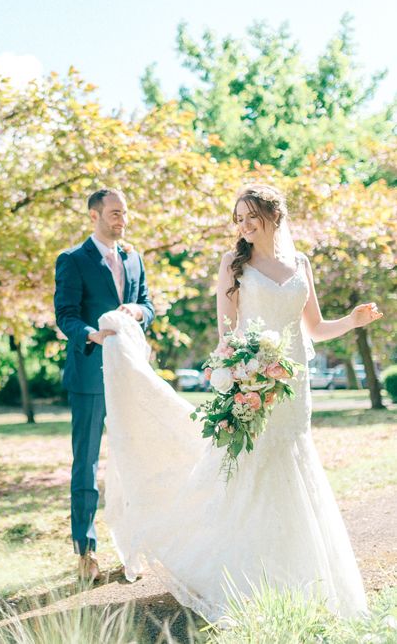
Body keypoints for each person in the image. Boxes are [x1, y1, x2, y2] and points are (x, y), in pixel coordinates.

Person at [99, 184, 382, 621]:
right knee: (252, 471)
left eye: (253, 216)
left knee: (292, 465)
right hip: (252, 383)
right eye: (239, 218)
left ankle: (300, 577)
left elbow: (316, 328)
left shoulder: (300, 263)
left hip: (293, 387)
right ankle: (244, 576)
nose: (245, 225)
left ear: (275, 216)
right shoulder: (234, 264)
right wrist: (241, 375)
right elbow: (227, 334)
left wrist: (354, 320)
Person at [54, 187, 155, 581]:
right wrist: (90, 334)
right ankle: (86, 550)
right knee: (87, 463)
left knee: (133, 457)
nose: (122, 220)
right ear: (94, 215)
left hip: (129, 373)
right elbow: (65, 315)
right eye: (114, 213)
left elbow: (147, 303)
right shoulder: (73, 261)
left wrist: (138, 311)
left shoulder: (134, 258)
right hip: (89, 375)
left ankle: (135, 545)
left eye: (124, 213)